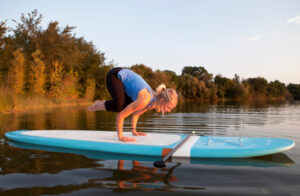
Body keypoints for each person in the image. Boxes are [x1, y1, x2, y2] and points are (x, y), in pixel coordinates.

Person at [87, 67, 178, 142]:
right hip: (115, 75)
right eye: (169, 107)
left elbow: (136, 114)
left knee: (126, 106)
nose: (169, 110)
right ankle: (100, 103)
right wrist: (121, 137)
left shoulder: (153, 103)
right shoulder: (145, 99)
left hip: (125, 80)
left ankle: (99, 104)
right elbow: (121, 115)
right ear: (162, 101)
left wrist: (134, 130)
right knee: (120, 107)